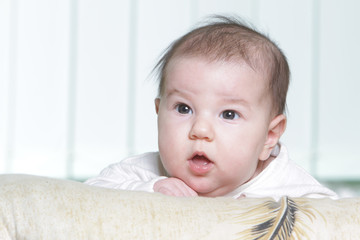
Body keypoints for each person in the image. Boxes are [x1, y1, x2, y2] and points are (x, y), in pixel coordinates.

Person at [85, 16, 337, 200]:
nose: (200, 130)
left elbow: (334, 222)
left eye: (229, 114)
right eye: (183, 109)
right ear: (158, 113)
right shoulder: (144, 173)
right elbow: (87, 198)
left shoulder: (290, 190)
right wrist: (151, 190)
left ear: (268, 137)